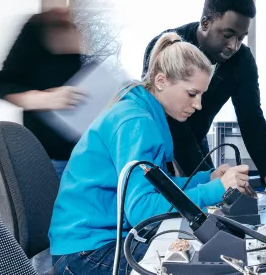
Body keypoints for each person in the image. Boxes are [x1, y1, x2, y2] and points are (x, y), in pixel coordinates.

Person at [49, 32, 250, 275]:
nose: (198, 105)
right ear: (161, 81)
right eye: (191, 94)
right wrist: (216, 190)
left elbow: (159, 186)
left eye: (201, 96)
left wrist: (206, 179)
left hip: (94, 242)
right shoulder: (136, 122)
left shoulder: (141, 113)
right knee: (200, 268)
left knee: (192, 255)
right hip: (84, 254)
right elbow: (142, 209)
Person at [142, 0, 266, 193]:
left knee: (214, 196)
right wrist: (213, 186)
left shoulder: (242, 61)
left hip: (197, 139)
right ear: (205, 23)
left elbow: (250, 117)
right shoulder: (168, 47)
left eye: (241, 37)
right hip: (165, 139)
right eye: (228, 35)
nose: (233, 46)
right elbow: (172, 123)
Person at [0, 7, 86, 179]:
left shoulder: (80, 26)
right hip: (48, 156)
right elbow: (3, 86)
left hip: (84, 154)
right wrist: (45, 99)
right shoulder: (37, 26)